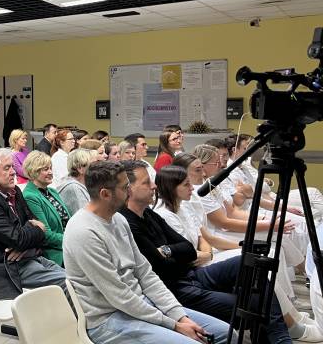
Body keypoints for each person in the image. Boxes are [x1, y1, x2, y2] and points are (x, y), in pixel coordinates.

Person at [121, 161, 300, 344]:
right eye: (146, 182)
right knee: (255, 303)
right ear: (128, 189)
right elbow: (160, 263)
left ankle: (280, 338)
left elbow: (188, 249)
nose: (153, 186)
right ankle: (281, 339)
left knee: (252, 264)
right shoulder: (127, 222)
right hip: (176, 288)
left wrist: (168, 251)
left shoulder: (149, 214)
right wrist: (175, 253)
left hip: (191, 274)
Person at [62, 161, 233, 344]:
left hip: (141, 305)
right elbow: (120, 297)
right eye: (125, 187)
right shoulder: (83, 232)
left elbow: (145, 274)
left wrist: (179, 316)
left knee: (225, 333)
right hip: (108, 320)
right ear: (105, 194)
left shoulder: (118, 219)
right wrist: (174, 325)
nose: (129, 191)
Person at [193, 144, 309, 272]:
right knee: (276, 238)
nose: (220, 164)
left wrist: (264, 220)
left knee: (280, 237)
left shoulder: (212, 183)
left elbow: (232, 211)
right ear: (202, 166)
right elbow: (224, 222)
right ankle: (307, 271)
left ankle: (307, 271)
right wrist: (268, 225)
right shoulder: (202, 190)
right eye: (216, 162)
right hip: (221, 234)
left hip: (231, 226)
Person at [0, 147, 68, 300]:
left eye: (12, 167)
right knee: (69, 283)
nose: (13, 172)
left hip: (30, 256)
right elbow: (19, 237)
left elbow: (36, 229)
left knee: (75, 279)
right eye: (7, 168)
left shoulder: (14, 191)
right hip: (8, 267)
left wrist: (24, 243)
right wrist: (26, 236)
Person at [22, 151, 71, 266]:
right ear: (33, 172)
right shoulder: (30, 196)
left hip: (69, 245)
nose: (50, 172)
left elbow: (69, 220)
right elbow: (46, 235)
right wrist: (73, 239)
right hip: (56, 253)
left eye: (50, 168)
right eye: (45, 169)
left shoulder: (52, 191)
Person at [52, 148, 94, 214]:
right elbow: (84, 216)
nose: (96, 168)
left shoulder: (79, 184)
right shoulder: (73, 188)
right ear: (80, 169)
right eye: (92, 165)